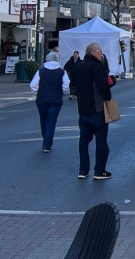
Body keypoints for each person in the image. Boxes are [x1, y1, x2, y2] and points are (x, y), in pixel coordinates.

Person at [73, 42, 115, 180]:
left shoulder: (79, 66)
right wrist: (108, 96)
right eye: (99, 51)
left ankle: (83, 170)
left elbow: (72, 86)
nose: (101, 53)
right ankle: (99, 170)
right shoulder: (97, 67)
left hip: (83, 108)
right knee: (101, 140)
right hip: (97, 108)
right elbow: (103, 87)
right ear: (93, 52)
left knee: (84, 140)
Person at [30, 51, 70, 153]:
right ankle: (47, 144)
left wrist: (37, 93)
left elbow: (33, 85)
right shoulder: (61, 72)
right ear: (57, 60)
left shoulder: (41, 71)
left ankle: (45, 139)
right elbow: (66, 86)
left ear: (47, 60)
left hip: (42, 99)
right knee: (51, 121)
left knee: (43, 120)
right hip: (55, 99)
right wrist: (63, 92)